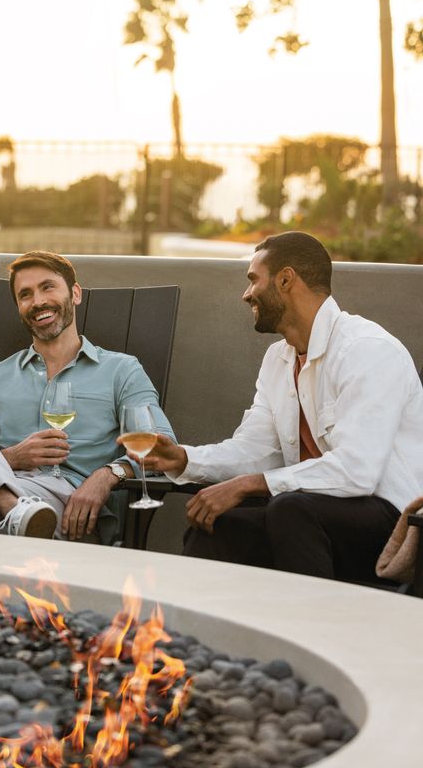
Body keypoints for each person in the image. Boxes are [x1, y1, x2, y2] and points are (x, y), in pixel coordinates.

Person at [137, 231, 423, 581]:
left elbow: (356, 471)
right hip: (306, 517)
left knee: (290, 507)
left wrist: (249, 485)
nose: (246, 294)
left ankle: (312, 629)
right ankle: (189, 630)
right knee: (219, 524)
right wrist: (185, 459)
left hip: (391, 524)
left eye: (253, 280)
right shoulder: (278, 361)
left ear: (286, 279)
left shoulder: (367, 350)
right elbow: (256, 449)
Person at [0, 250, 175, 541]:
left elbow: (162, 448)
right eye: (25, 295)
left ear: (75, 294)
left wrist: (108, 474)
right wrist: (11, 457)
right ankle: (14, 509)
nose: (37, 301)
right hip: (7, 490)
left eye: (48, 287)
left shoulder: (121, 370)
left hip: (75, 506)